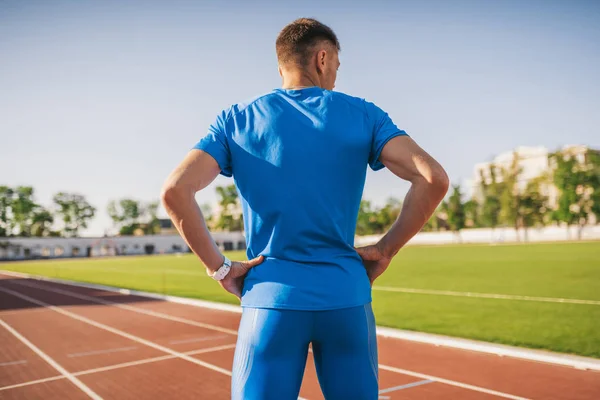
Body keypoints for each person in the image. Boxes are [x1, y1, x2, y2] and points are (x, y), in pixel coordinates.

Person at [161, 18, 449, 400]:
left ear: (282, 65)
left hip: (269, 300)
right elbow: (434, 179)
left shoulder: (237, 119)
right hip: (345, 294)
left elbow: (175, 190)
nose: (335, 78)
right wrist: (385, 249)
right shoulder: (364, 115)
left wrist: (221, 268)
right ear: (323, 58)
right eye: (336, 68)